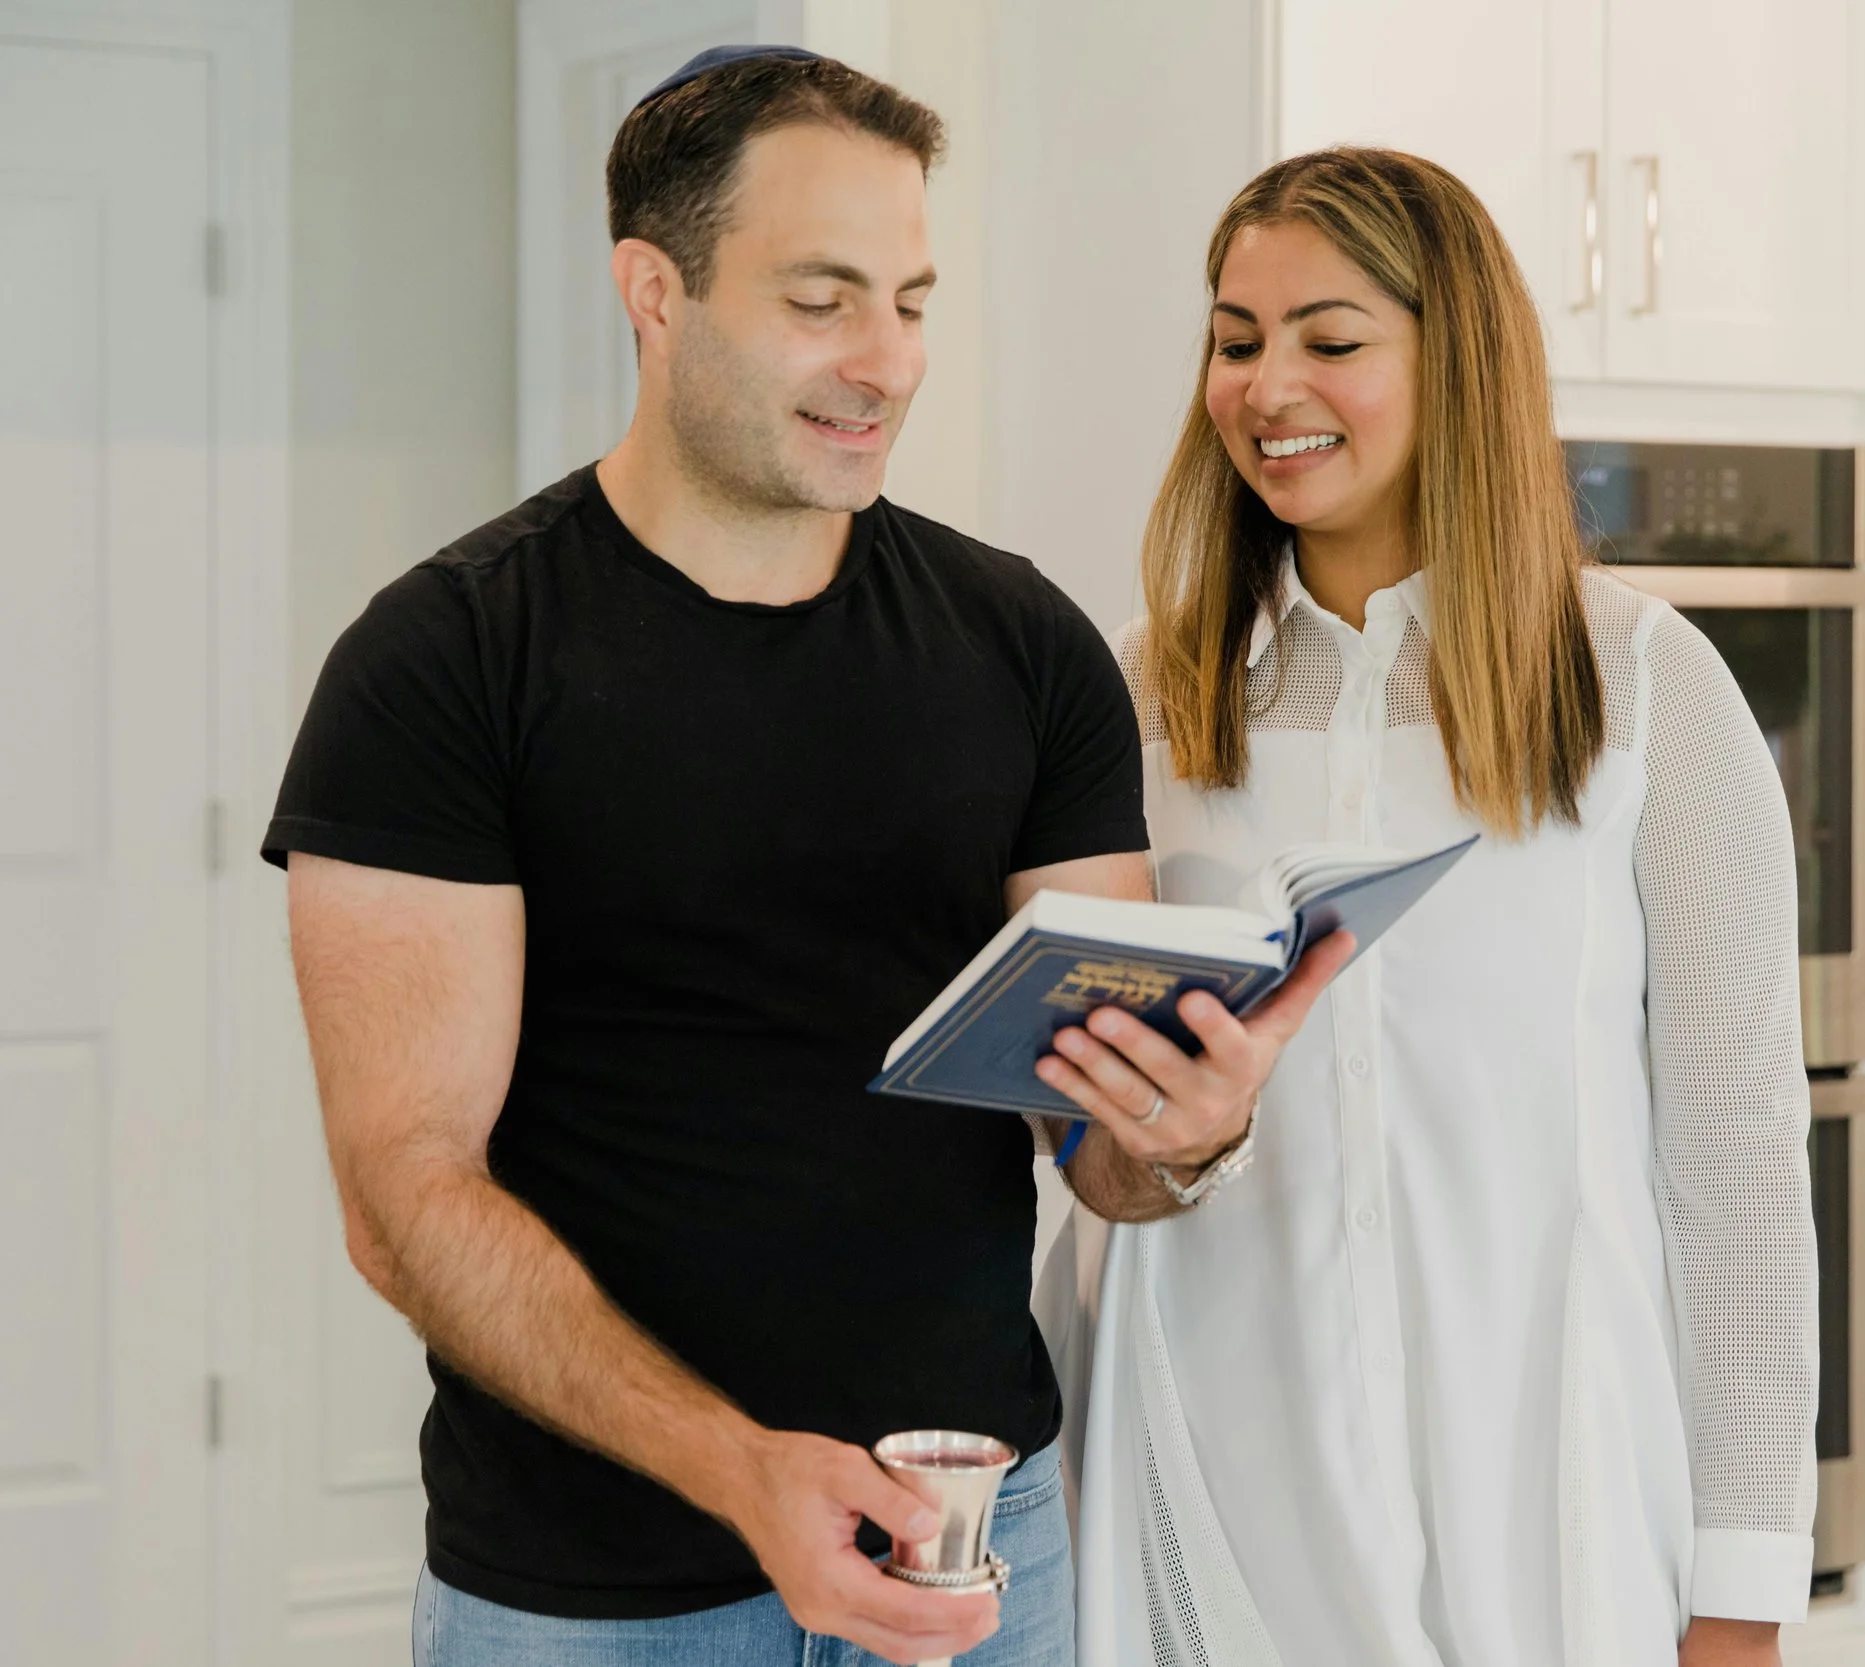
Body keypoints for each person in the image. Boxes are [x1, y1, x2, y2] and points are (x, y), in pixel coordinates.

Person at [266, 47, 1342, 1667]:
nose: (886, 361)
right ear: (654, 288)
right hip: (592, 1594)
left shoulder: (1027, 649)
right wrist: (743, 1472)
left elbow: (1091, 1142)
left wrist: (1183, 1134)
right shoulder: (446, 663)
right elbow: (406, 1195)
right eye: (823, 298)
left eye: (911, 298)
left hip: (976, 1552)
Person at [1041, 148, 1818, 1667]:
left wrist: (1744, 1586)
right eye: (1235, 338)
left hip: (1552, 1468)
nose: (1270, 386)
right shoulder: (1137, 693)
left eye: (1331, 339)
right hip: (1210, 1445)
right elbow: (1080, 1122)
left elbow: (1736, 1167)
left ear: (1452, 354)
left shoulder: (1642, 682)